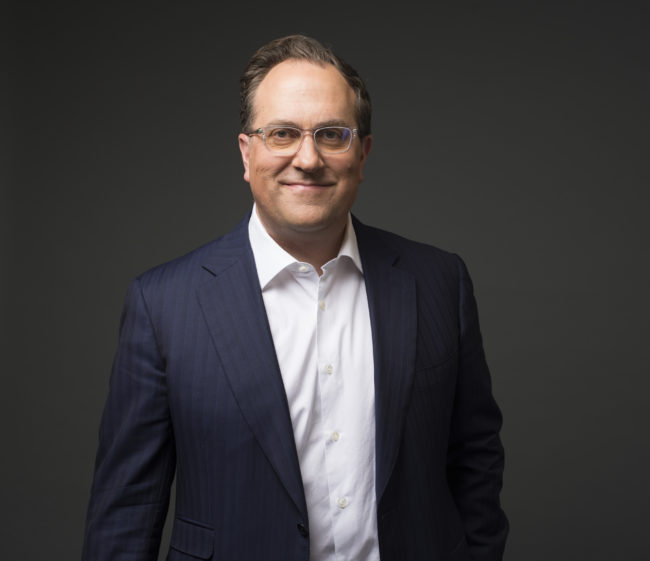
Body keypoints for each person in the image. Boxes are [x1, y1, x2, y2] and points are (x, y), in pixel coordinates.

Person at [82, 34, 508, 561]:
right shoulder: (163, 305)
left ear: (362, 153)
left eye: (332, 134)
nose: (308, 159)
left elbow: (475, 462)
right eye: (282, 133)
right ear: (247, 153)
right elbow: (125, 512)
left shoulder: (439, 282)